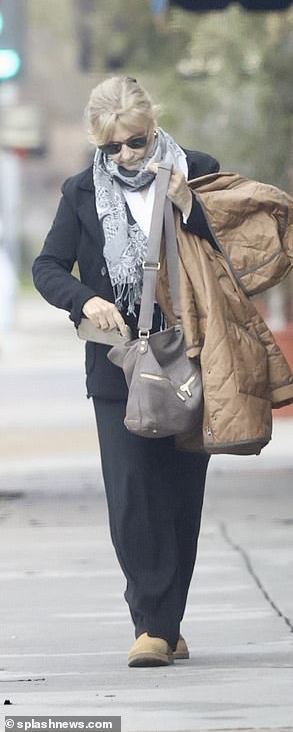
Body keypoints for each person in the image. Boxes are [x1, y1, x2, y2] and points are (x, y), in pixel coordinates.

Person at [32, 76, 222, 668]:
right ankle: (151, 625)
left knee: (179, 496)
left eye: (135, 143)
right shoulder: (82, 191)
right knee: (132, 495)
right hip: (118, 365)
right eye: (112, 147)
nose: (125, 156)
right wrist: (84, 300)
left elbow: (233, 255)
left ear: (153, 126)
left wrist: (193, 209)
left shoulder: (197, 169)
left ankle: (167, 621)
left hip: (189, 356)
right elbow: (47, 267)